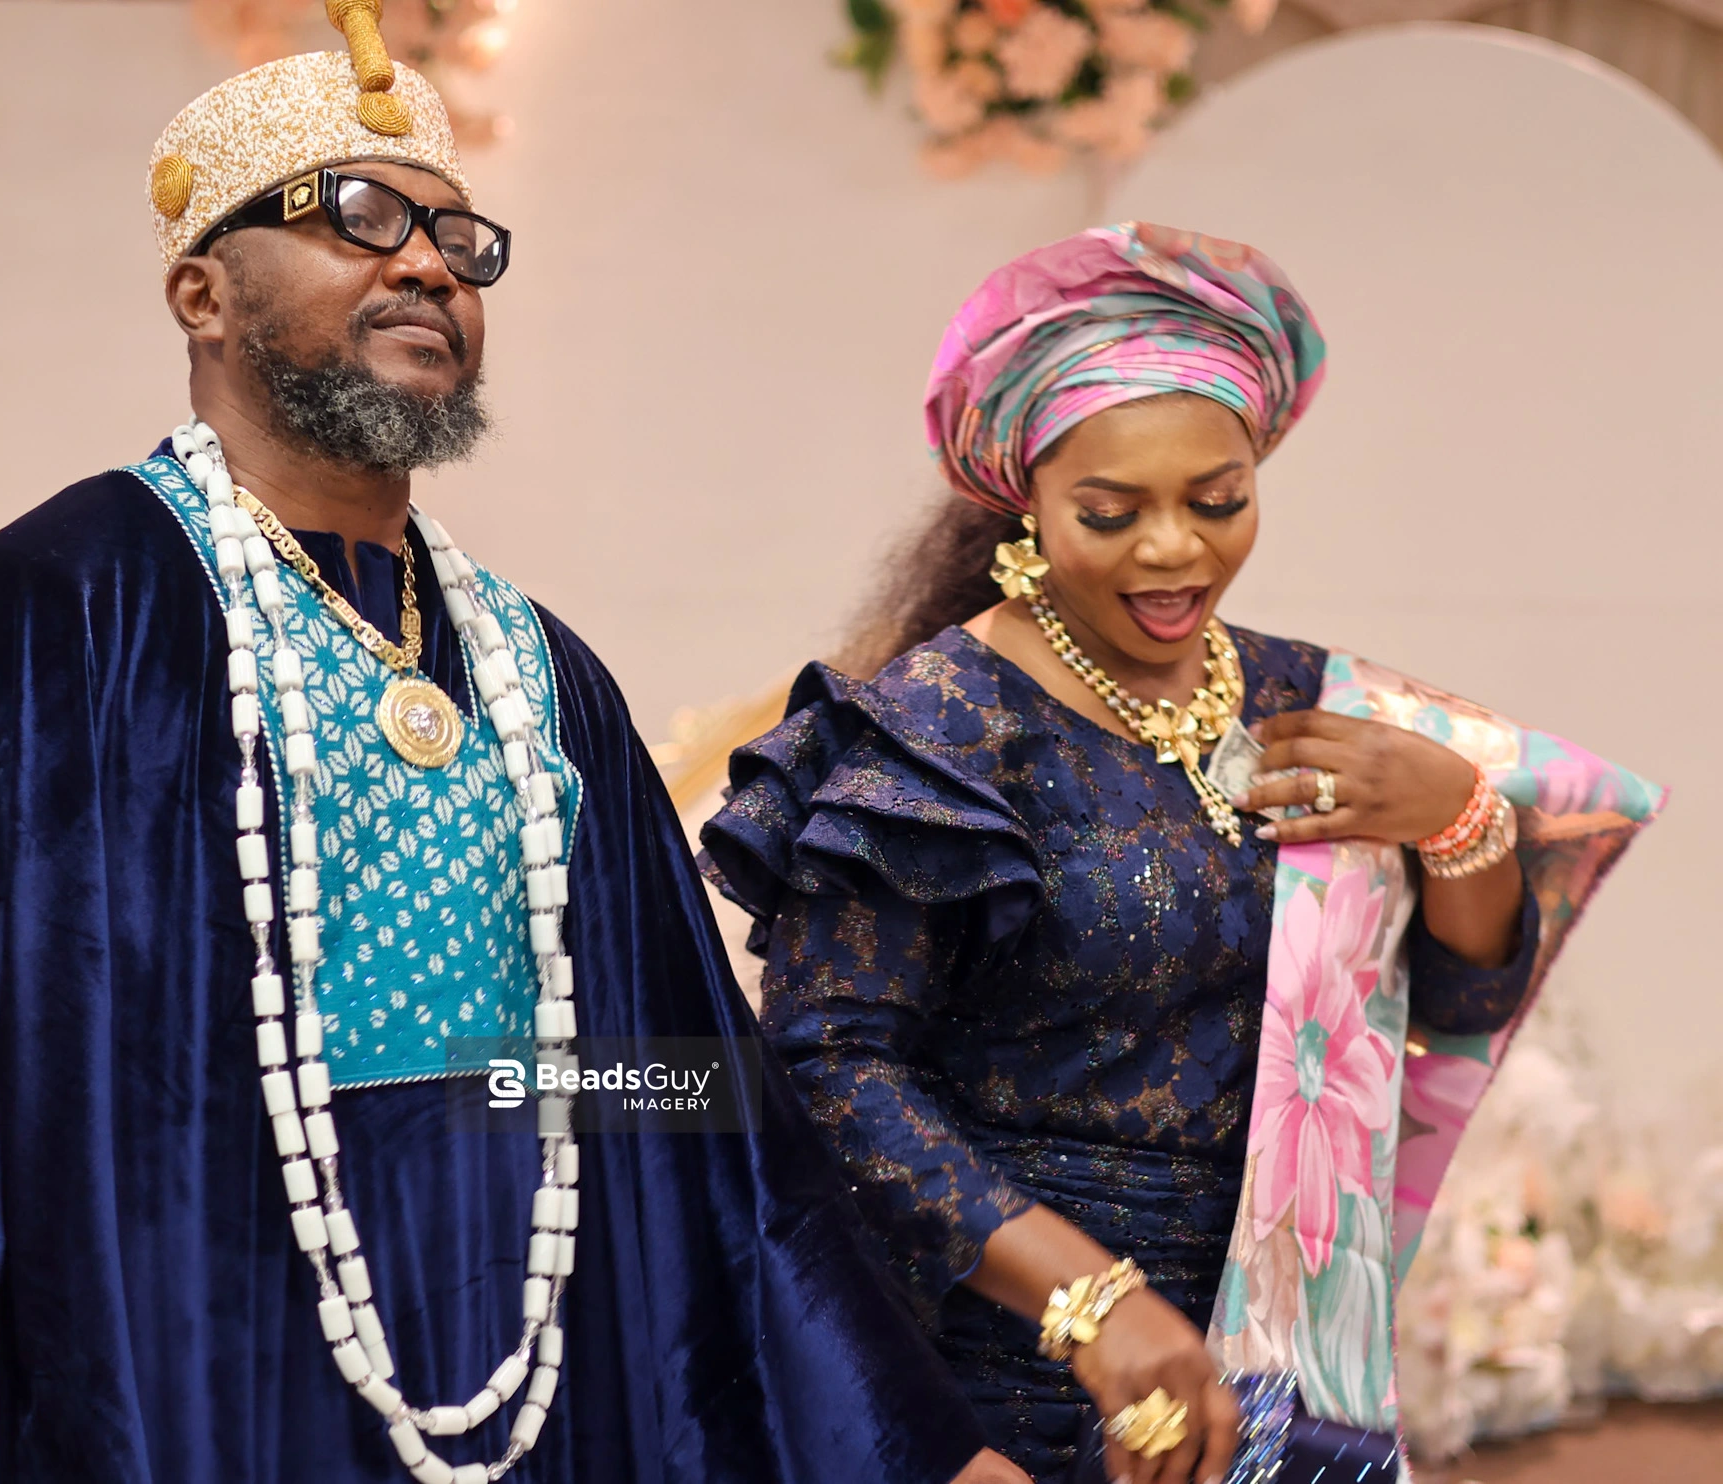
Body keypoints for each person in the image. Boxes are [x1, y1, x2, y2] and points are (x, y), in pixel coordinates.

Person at [0, 13, 1026, 1484]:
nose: (431, 263)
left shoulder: (540, 673)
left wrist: (913, 1440)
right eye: (362, 219)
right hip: (190, 1347)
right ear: (202, 290)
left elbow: (678, 1092)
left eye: (460, 236)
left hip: (534, 1349)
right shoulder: (58, 612)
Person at [700, 223, 1662, 1484]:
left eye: (1218, 500)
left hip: (1268, 1344)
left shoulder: (1300, 694)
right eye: (1111, 512)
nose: (1174, 549)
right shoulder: (939, 726)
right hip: (994, 1345)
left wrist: (1456, 818)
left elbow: (1456, 1004)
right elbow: (831, 1064)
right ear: (1024, 499)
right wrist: (1087, 1300)